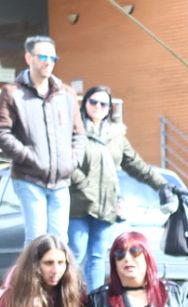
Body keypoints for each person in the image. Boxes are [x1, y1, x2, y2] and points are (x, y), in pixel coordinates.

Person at [68, 86, 174, 289]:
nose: (98, 107)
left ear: (109, 108)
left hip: (106, 206)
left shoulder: (116, 135)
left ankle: (94, 300)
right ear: (85, 104)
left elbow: (136, 164)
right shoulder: (74, 129)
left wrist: (161, 184)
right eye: (93, 102)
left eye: (103, 104)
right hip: (79, 204)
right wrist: (82, 184)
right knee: (75, 253)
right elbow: (67, 162)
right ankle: (67, 298)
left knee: (97, 256)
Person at [0, 36, 83, 243]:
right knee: (36, 238)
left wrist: (73, 160)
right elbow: (3, 133)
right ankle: (32, 267)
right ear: (29, 58)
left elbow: (79, 134)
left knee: (60, 240)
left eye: (53, 58)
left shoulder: (66, 93)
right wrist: (28, 157)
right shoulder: (12, 93)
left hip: (61, 180)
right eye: (43, 57)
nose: (49, 62)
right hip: (29, 177)